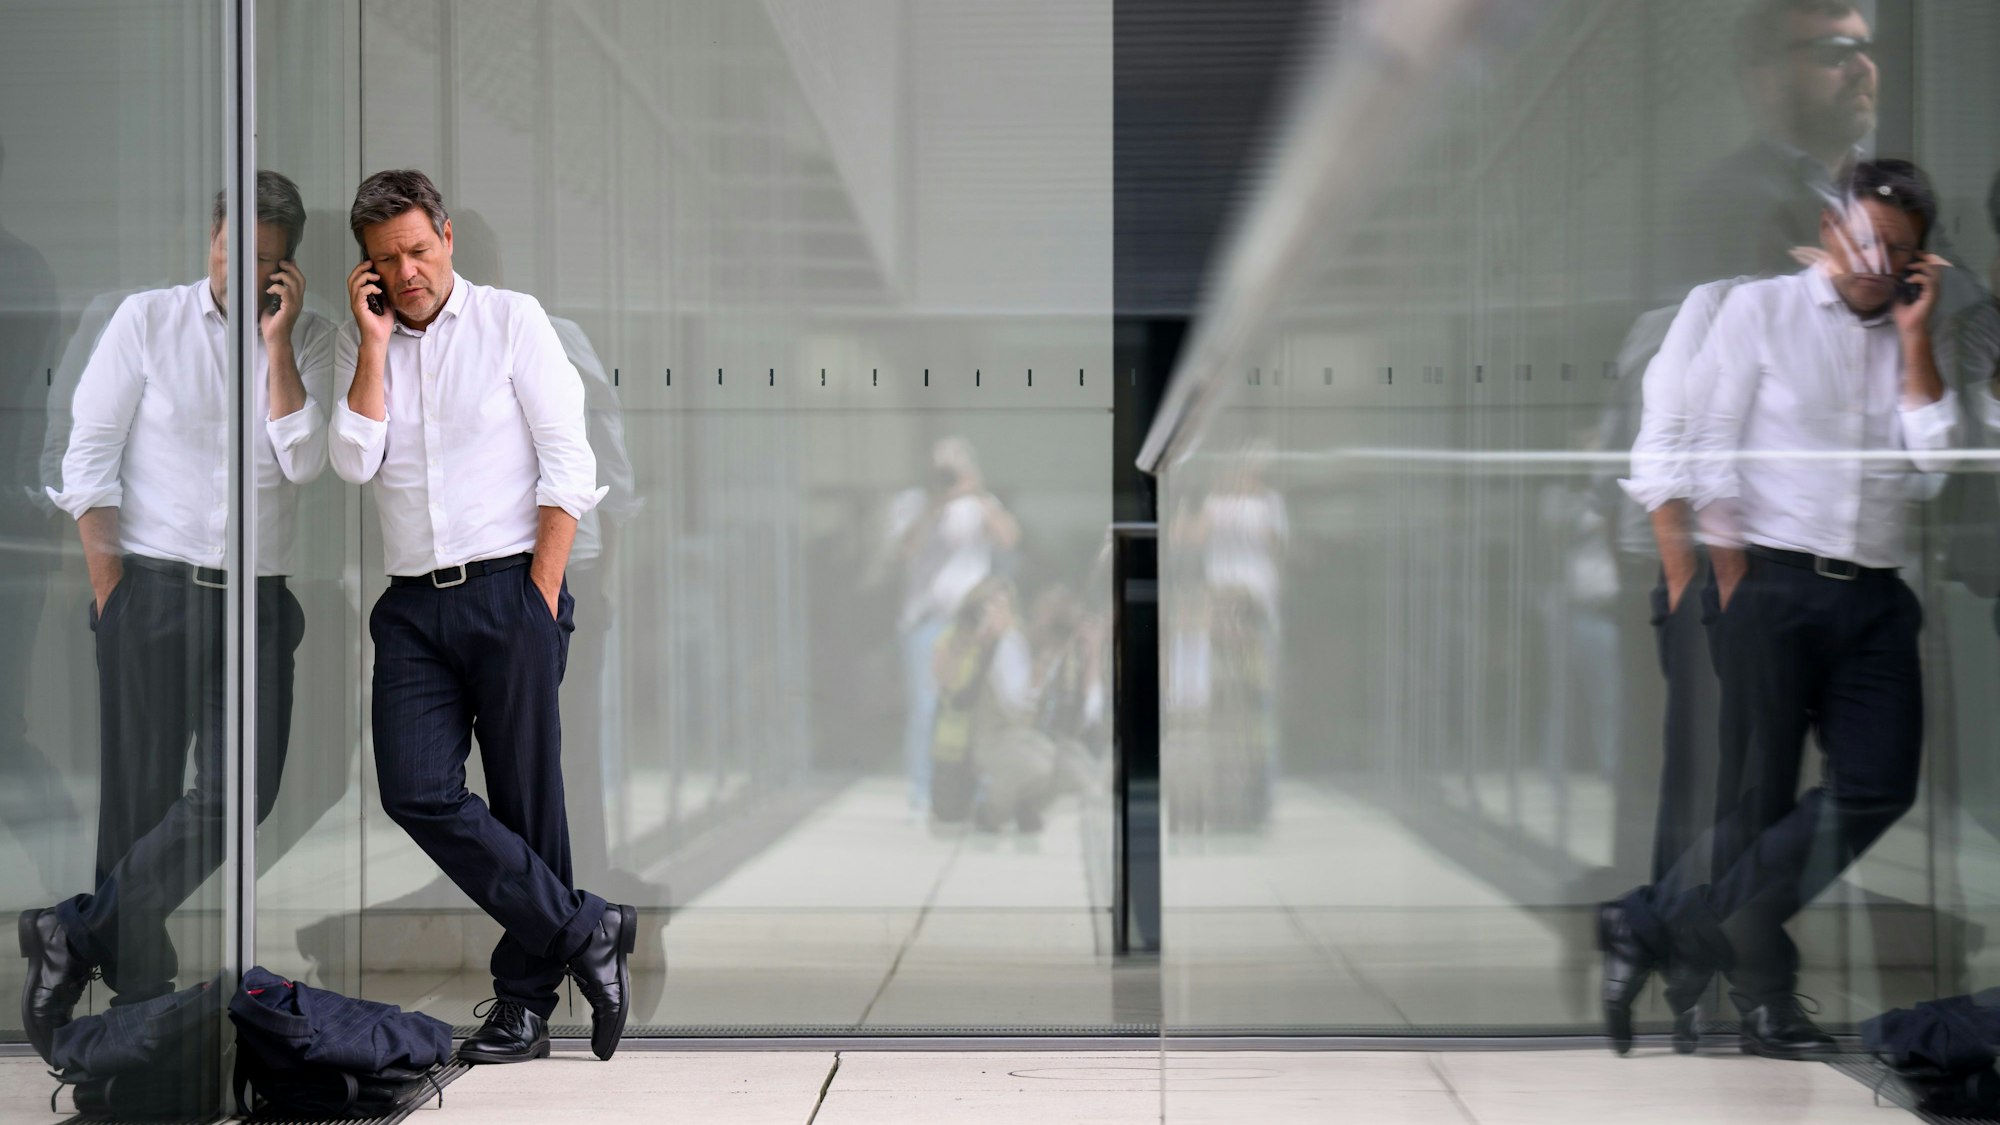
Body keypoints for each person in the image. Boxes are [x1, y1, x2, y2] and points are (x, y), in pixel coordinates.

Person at [1601, 159, 1958, 1060]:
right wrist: (1713, 578)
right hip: (1765, 579)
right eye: (1868, 240)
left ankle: (1655, 922)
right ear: (1831, 230)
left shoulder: (1910, 332)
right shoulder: (1750, 308)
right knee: (1744, 797)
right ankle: (1747, 994)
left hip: (1873, 593)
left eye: (1901, 251)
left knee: (1875, 784)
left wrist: (1918, 337)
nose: (1878, 262)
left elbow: (1938, 464)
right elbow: (1701, 439)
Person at [19, 172, 328, 1063]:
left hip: (259, 604)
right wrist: (111, 586)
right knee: (139, 796)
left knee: (243, 792)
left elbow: (305, 462)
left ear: (290, 265)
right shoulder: (146, 321)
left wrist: (274, 350)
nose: (241, 271)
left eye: (266, 261)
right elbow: (89, 455)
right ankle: (137, 1001)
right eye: (231, 252)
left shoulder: (310, 341)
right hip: (152, 590)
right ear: (211, 239)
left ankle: (71, 933)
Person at [329, 169, 633, 1064]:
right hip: (414, 605)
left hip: (510, 587)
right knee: (415, 789)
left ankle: (525, 1006)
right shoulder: (371, 347)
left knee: (526, 795)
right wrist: (374, 348)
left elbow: (567, 461)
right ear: (368, 269)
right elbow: (352, 463)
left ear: (448, 237)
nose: (408, 270)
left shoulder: (513, 320)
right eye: (387, 259)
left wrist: (541, 591)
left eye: (419, 250)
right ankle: (588, 929)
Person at [891, 437, 1020, 818]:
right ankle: (922, 790)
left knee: (978, 705)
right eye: (941, 467)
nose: (948, 474)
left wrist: (977, 492)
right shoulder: (912, 503)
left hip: (974, 621)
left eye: (955, 466)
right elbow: (906, 549)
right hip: (927, 621)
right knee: (927, 707)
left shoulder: (979, 503)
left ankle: (979, 791)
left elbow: (1010, 538)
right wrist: (937, 502)